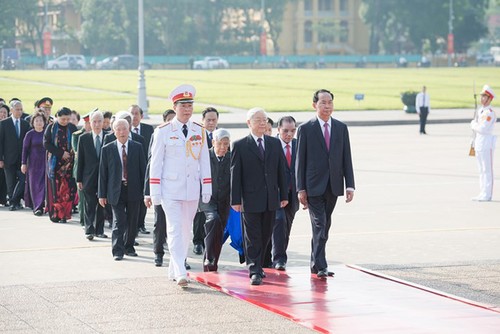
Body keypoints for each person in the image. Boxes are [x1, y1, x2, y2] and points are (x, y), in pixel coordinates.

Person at [149, 84, 212, 288]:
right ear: (175, 107)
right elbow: (156, 163)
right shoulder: (164, 131)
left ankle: (173, 268)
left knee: (186, 231)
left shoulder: (198, 131)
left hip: (192, 189)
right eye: (183, 105)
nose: (187, 109)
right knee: (175, 229)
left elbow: (204, 161)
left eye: (190, 105)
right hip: (171, 190)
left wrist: (207, 187)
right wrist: (154, 192)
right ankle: (180, 271)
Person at [296, 89, 355, 278]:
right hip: (313, 187)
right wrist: (300, 188)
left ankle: (315, 262)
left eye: (330, 102)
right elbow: (300, 161)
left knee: (324, 226)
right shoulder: (305, 128)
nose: (327, 106)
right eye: (323, 102)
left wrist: (350, 185)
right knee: (320, 224)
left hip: (334, 185)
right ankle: (321, 265)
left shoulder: (340, 128)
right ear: (314, 105)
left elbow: (347, 158)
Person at [231, 107, 288, 285]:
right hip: (249, 199)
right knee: (252, 236)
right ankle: (254, 269)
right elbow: (235, 175)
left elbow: (281, 171)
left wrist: (283, 194)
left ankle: (260, 265)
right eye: (258, 120)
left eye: (264, 120)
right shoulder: (240, 145)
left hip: (271, 198)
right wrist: (235, 200)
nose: (263, 123)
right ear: (249, 123)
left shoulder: (274, 143)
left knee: (265, 235)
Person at [143, 109, 191, 270]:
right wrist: (149, 191)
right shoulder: (161, 133)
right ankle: (159, 254)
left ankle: (177, 263)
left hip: (182, 190)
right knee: (162, 224)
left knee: (181, 229)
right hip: (163, 189)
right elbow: (153, 164)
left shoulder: (192, 131)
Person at [98, 119, 145, 260]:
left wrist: (146, 192)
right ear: (114, 131)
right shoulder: (107, 149)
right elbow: (103, 174)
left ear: (129, 129)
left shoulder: (137, 147)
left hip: (134, 190)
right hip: (115, 191)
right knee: (119, 221)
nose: (122, 132)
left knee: (132, 221)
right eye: (118, 129)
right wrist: (102, 195)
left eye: (124, 129)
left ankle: (129, 247)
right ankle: (117, 250)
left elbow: (143, 170)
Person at [271, 116, 299, 270]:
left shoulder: (298, 144)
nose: (289, 134)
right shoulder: (272, 145)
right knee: (279, 221)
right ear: (278, 130)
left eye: (293, 130)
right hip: (275, 194)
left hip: (292, 194)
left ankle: (278, 255)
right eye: (286, 131)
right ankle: (279, 259)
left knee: (285, 227)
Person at [201, 128, 231, 272]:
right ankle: (210, 258)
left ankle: (211, 266)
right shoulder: (205, 156)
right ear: (213, 142)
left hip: (225, 201)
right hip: (207, 199)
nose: (223, 147)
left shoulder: (232, 158)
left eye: (226, 144)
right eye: (220, 144)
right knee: (214, 220)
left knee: (219, 233)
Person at [192, 106, 219, 255]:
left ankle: (211, 241)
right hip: (200, 180)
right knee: (200, 213)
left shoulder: (221, 136)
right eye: (208, 120)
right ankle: (197, 241)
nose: (211, 123)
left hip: (217, 181)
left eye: (214, 120)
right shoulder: (197, 136)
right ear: (202, 121)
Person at [43, 107, 78, 223]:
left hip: (69, 164)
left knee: (67, 190)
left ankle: (65, 215)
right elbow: (46, 144)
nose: (65, 121)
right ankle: (55, 214)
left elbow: (77, 143)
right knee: (56, 190)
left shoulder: (72, 127)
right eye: (63, 119)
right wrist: (61, 153)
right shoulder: (51, 128)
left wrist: (71, 154)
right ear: (57, 116)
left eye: (67, 119)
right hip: (55, 164)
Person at [77, 110, 108, 240]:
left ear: (104, 122)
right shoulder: (83, 138)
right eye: (94, 121)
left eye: (99, 121)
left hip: (104, 178)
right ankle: (89, 230)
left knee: (102, 205)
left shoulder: (109, 137)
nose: (97, 124)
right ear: (90, 123)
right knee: (89, 204)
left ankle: (99, 230)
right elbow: (80, 161)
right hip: (88, 177)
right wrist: (79, 179)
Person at [0, 100, 30, 211]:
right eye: (17, 109)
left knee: (22, 180)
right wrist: (0, 159)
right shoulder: (4, 123)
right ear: (11, 110)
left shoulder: (25, 124)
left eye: (21, 109)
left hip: (21, 159)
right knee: (10, 182)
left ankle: (15, 201)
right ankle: (13, 203)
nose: (19, 111)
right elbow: (1, 142)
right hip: (8, 159)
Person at [129, 104, 153, 235]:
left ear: (141, 116)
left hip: (145, 167)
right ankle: (133, 224)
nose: (134, 116)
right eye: (131, 113)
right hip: (131, 169)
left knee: (145, 196)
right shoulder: (125, 130)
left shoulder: (148, 129)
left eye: (136, 113)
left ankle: (141, 224)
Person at [471, 85, 496, 202]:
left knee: (487, 170)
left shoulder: (490, 113)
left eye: (484, 96)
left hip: (487, 143)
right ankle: (482, 192)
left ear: (489, 99)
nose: (482, 98)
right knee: (481, 170)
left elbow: (483, 128)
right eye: (481, 96)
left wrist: (473, 125)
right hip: (479, 143)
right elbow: (478, 130)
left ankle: (488, 194)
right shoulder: (481, 111)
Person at [21, 111, 47, 216]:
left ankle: (43, 205)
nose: (39, 122)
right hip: (33, 163)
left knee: (44, 185)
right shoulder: (29, 134)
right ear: (33, 122)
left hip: (45, 162)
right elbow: (25, 149)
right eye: (37, 121)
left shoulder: (47, 133)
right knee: (34, 185)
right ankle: (37, 207)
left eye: (41, 120)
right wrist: (23, 163)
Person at [72, 111, 92, 224]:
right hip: (81, 170)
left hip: (92, 171)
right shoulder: (77, 135)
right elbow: (77, 153)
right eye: (89, 122)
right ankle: (83, 220)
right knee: (82, 197)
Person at [0, 104, 10, 206]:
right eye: (1, 112)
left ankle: (3, 199)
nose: (3, 114)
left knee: (4, 179)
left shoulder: (7, 125)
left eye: (5, 112)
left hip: (6, 157)